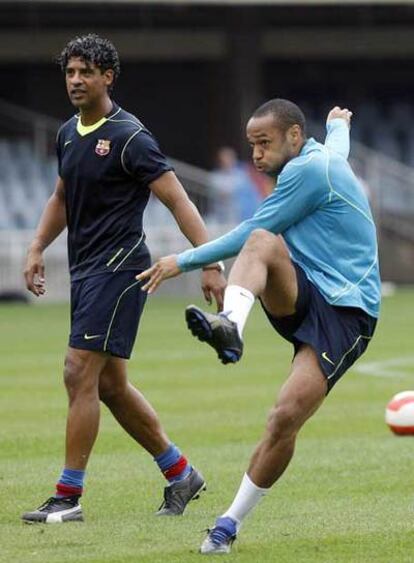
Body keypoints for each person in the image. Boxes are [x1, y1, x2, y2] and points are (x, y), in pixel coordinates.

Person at [136, 100, 381, 554]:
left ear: (293, 137)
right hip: (305, 290)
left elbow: (249, 225)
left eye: (264, 143)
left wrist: (182, 261)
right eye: (252, 145)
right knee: (263, 243)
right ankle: (230, 325)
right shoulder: (320, 158)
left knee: (284, 417)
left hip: (347, 312)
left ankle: (227, 525)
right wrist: (338, 124)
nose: (257, 155)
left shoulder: (308, 172)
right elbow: (337, 151)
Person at [22, 34, 226, 524]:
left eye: (86, 72)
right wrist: (35, 248)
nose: (75, 80)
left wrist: (210, 263)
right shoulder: (69, 133)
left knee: (77, 371)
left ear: (107, 77)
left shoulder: (131, 136)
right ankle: (180, 474)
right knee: (110, 386)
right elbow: (61, 198)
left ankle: (67, 496)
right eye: (70, 72)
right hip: (85, 269)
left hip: (120, 268)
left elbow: (179, 200)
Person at [210, 147, 261, 223]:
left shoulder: (241, 174)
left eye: (229, 159)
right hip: (223, 214)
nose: (227, 162)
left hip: (242, 213)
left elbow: (250, 192)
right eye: (225, 159)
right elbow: (220, 193)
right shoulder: (216, 176)